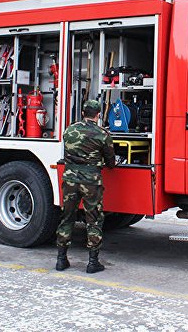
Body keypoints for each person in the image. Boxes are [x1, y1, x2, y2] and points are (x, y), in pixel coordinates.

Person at [56, 99, 115, 273]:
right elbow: (111, 162)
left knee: (67, 217)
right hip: (91, 182)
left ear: (83, 113)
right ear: (98, 115)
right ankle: (92, 262)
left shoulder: (69, 130)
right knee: (94, 220)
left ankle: (61, 260)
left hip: (70, 180)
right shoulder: (102, 134)